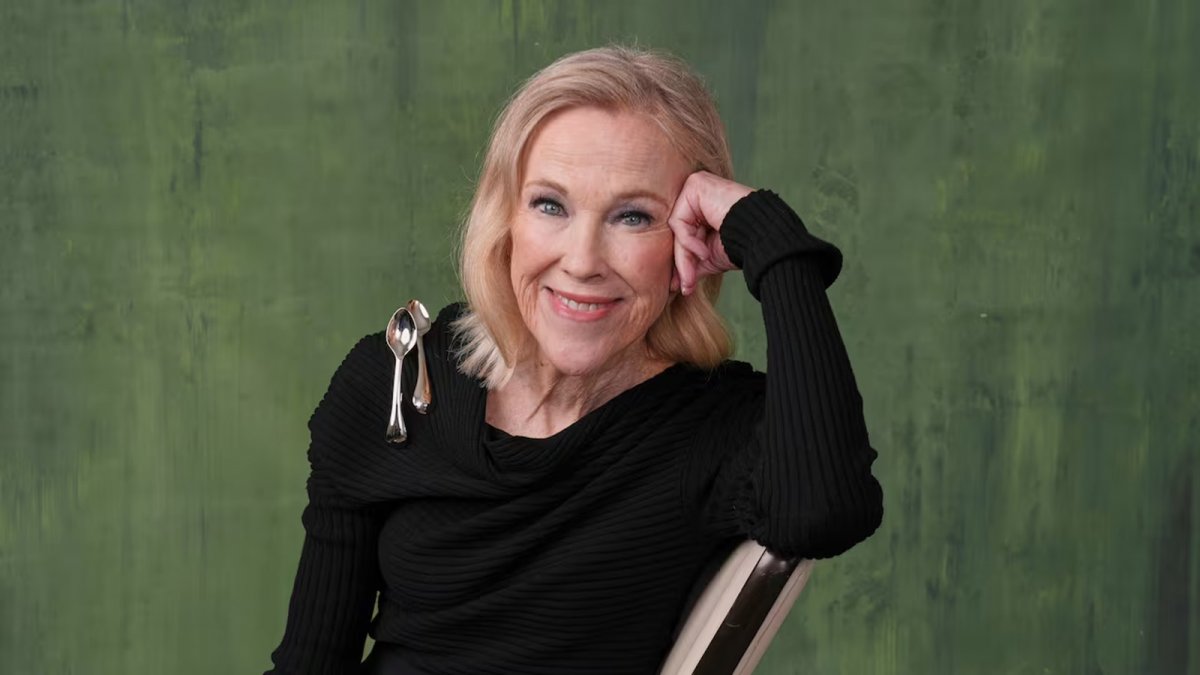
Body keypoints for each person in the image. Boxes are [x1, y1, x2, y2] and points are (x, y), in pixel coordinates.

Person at [266, 46, 883, 674]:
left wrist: (773, 242)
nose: (583, 260)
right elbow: (309, 664)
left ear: (689, 238)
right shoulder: (397, 376)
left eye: (633, 216)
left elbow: (824, 513)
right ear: (505, 218)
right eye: (550, 205)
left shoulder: (710, 427)